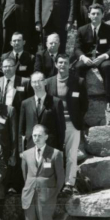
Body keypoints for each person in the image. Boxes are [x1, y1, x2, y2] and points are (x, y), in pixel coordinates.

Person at [17, 125, 64, 220]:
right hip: (29, 195)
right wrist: (31, 186)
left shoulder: (55, 154)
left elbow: (60, 178)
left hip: (47, 197)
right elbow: (25, 175)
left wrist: (52, 194)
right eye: (34, 135)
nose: (36, 138)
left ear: (46, 137)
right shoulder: (26, 154)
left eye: (39, 135)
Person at [47, 55, 88, 194]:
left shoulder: (79, 82)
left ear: (69, 65)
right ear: (56, 64)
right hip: (55, 125)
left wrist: (76, 118)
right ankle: (53, 182)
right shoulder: (49, 82)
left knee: (71, 155)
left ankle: (69, 183)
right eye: (60, 62)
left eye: (65, 62)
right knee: (54, 155)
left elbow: (84, 105)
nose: (62, 65)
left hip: (72, 124)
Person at [73, 4, 110, 113]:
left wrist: (104, 56)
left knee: (107, 66)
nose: (95, 16)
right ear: (89, 15)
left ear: (102, 15)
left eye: (98, 14)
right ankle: (78, 98)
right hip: (88, 58)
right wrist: (83, 57)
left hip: (102, 58)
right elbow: (77, 48)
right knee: (78, 67)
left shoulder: (109, 29)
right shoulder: (82, 30)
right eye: (93, 14)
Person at [19, 72, 65, 151]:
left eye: (39, 81)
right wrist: (21, 150)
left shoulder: (56, 102)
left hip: (50, 146)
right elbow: (21, 130)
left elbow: (61, 128)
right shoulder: (25, 103)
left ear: (45, 82)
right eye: (34, 82)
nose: (37, 84)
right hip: (31, 146)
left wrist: (60, 149)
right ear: (31, 84)